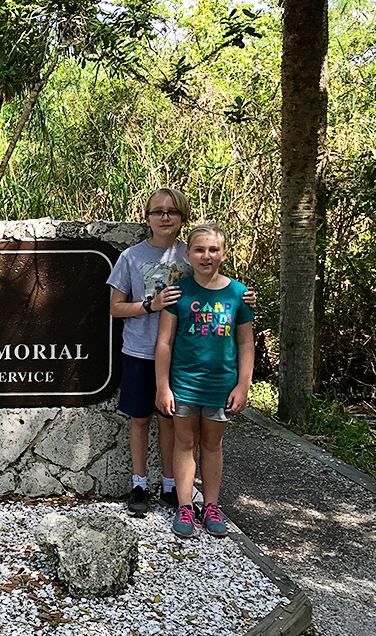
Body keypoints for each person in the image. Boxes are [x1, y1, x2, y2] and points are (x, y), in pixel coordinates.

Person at [107, 190, 255, 518]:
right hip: (140, 351)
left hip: (182, 357)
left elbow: (216, 287)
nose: (164, 217)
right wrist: (150, 305)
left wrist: (245, 299)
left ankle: (173, 487)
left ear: (182, 218)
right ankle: (139, 484)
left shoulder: (189, 257)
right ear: (146, 218)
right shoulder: (131, 257)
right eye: (157, 212)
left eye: (172, 212)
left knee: (171, 421)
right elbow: (115, 308)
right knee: (140, 418)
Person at [155, 223, 255, 538]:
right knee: (185, 444)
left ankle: (211, 506)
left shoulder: (238, 294)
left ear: (223, 254)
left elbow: (245, 344)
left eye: (213, 250)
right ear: (188, 254)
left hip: (220, 386)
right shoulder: (177, 293)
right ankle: (186, 506)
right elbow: (164, 343)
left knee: (212, 445)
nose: (206, 256)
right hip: (184, 383)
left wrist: (243, 385)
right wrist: (163, 386)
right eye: (199, 249)